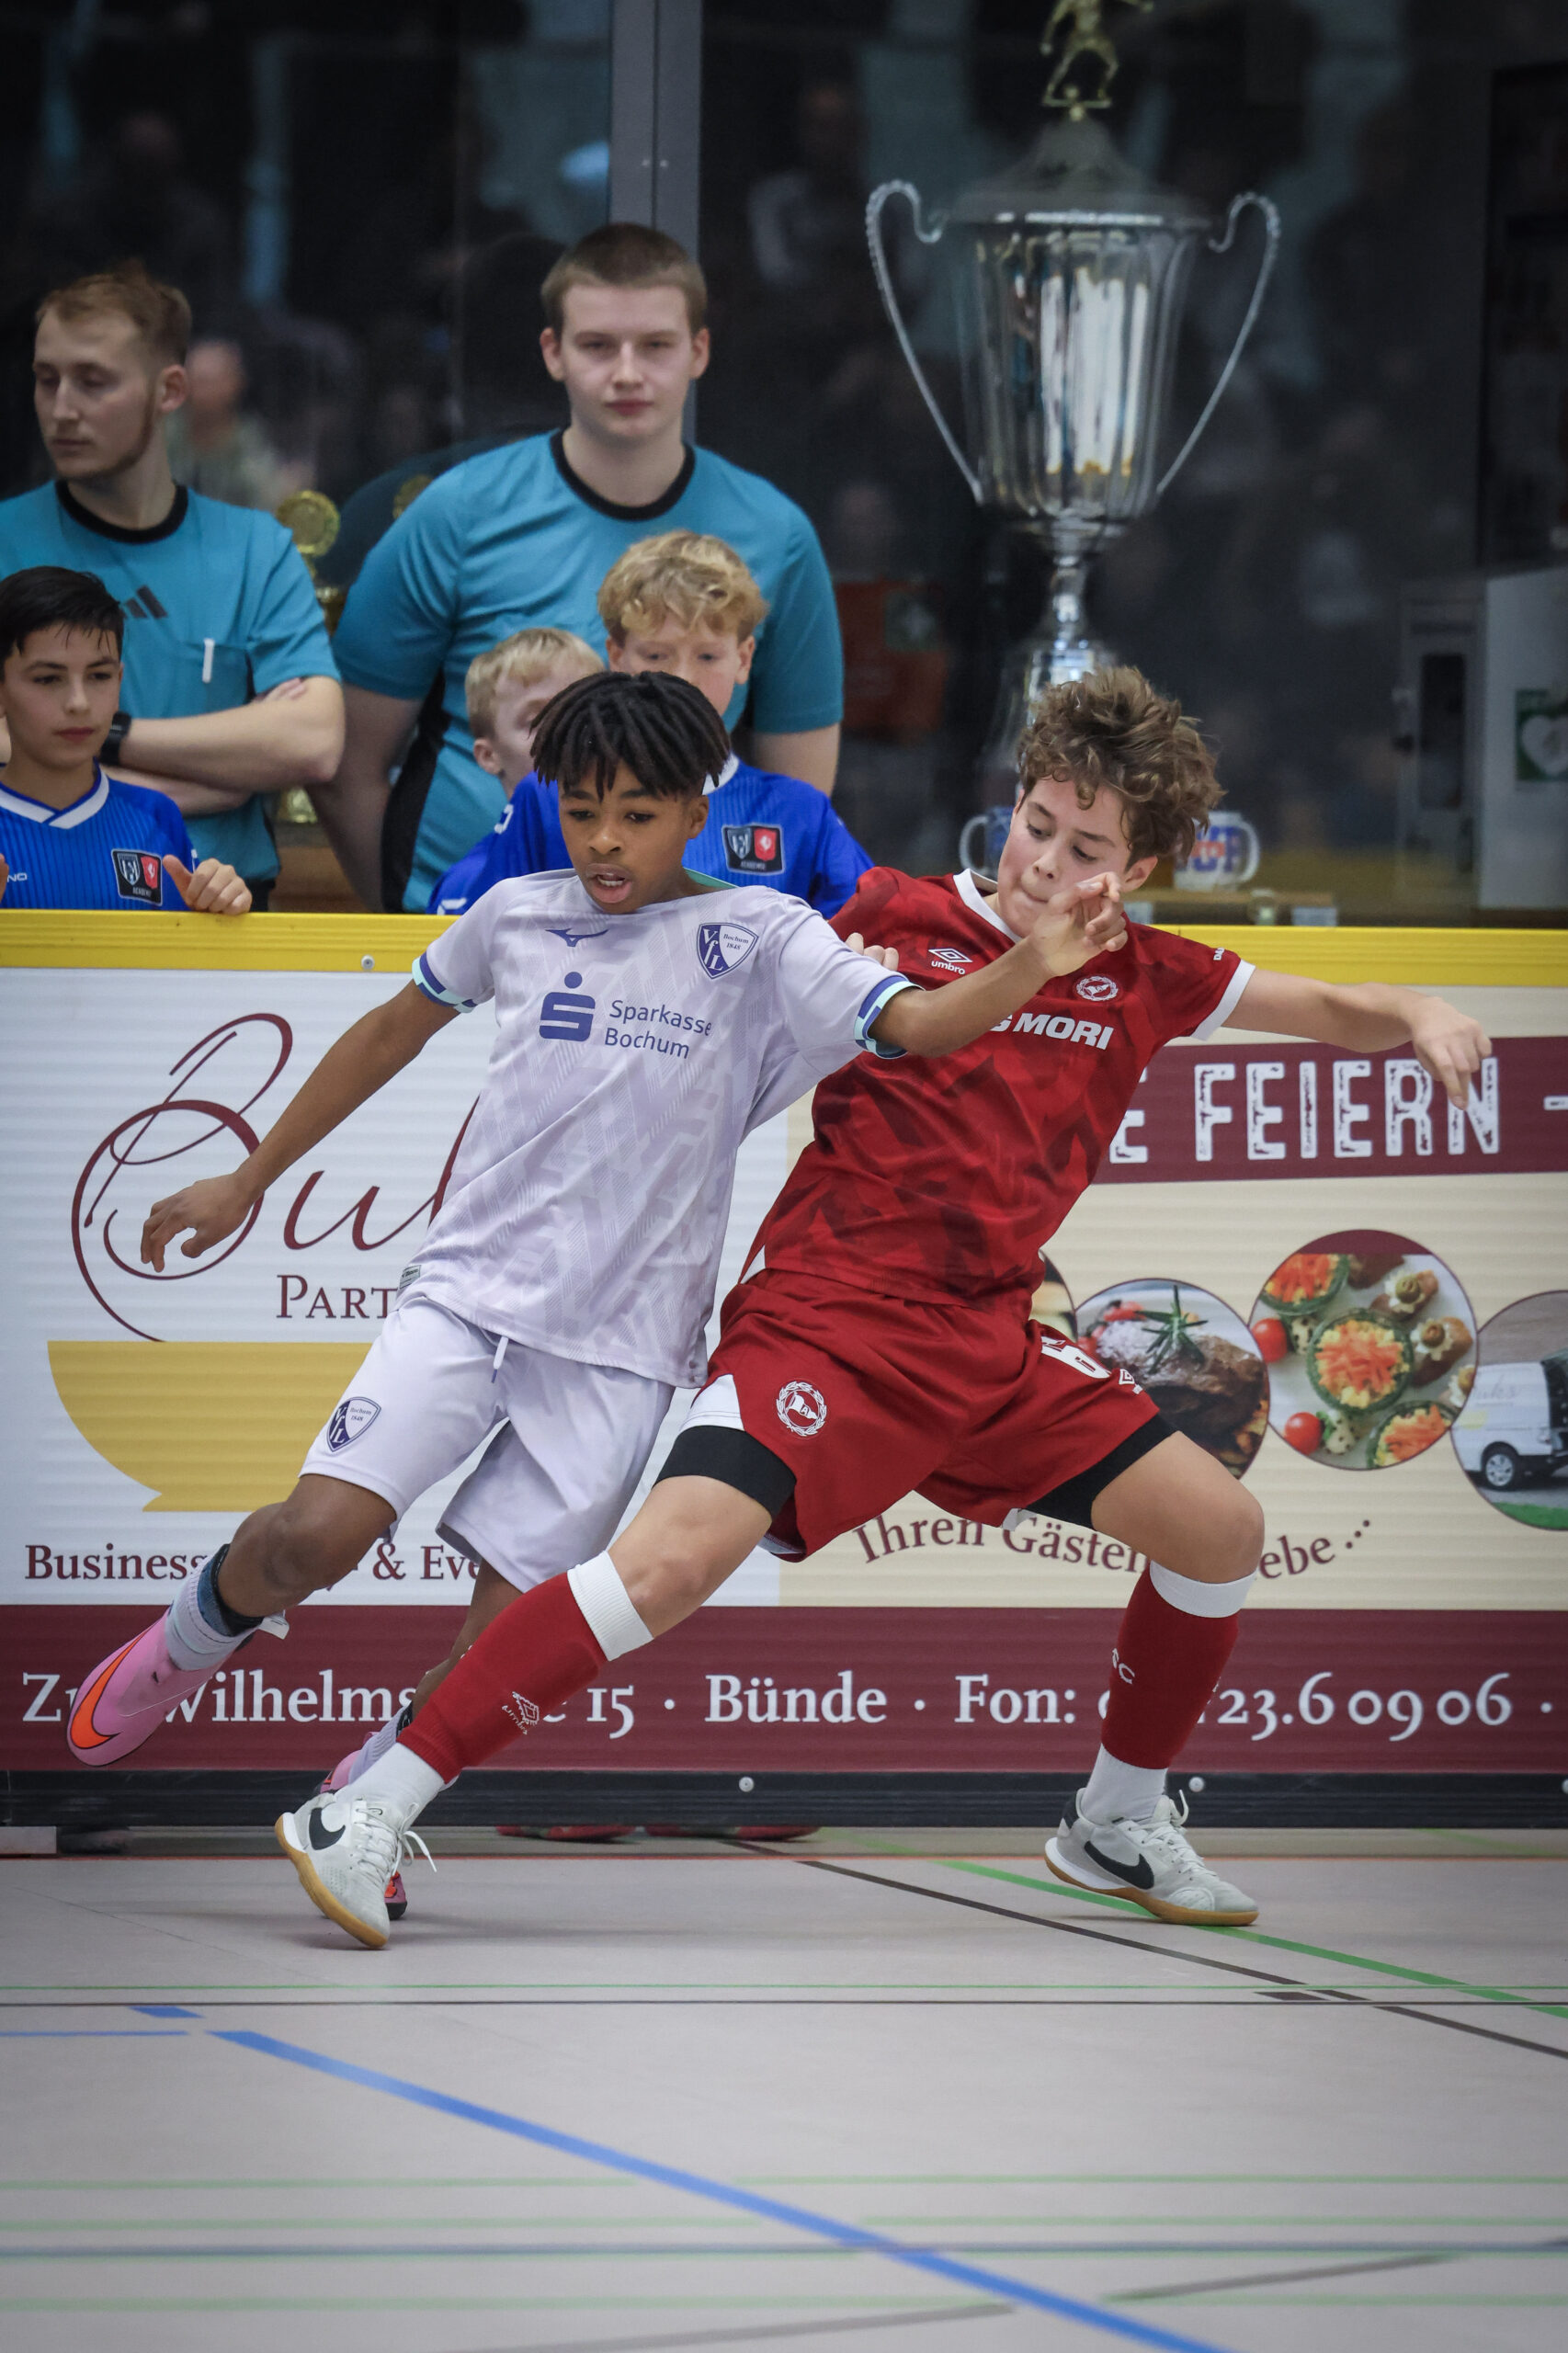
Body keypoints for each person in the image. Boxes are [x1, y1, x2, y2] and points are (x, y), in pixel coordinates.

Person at [244, 666, 1489, 1950]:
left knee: (1219, 1531)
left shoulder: (1151, 974)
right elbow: (688, 916)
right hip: (823, 1325)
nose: (1047, 862)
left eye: (1086, 850)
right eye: (1037, 825)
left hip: (986, 1347)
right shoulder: (884, 914)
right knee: (667, 1566)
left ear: (1140, 868)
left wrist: (1417, 1009)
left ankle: (1116, 1820)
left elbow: (1328, 1008)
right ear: (1011, 805)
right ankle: (369, 1805)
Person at [66, 674, 1126, 1912]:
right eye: (580, 814)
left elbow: (925, 1025)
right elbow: (388, 1035)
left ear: (694, 813)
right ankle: (190, 1638)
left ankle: (363, 1804)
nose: (605, 844)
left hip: (623, 1353)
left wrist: (1034, 962)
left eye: (635, 816)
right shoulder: (514, 914)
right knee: (313, 1536)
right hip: (467, 1299)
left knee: (499, 1642)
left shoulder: (766, 936)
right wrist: (247, 1179)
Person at [323, 222, 846, 915]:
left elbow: (800, 805)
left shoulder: (777, 536)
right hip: (465, 937)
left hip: (690, 951)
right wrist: (412, 924)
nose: (627, 372)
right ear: (553, 352)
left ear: (698, 351)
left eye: (655, 345)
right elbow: (347, 766)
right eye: (597, 345)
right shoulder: (455, 515)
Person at [0, 261, 343, 909]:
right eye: (47, 380)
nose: (61, 409)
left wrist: (107, 741)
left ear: (170, 389)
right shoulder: (5, 540)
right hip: (31, 900)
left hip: (224, 909)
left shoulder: (256, 549)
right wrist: (222, 776)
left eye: (93, 382)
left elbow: (312, 743)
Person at [431, 534, 870, 919]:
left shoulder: (799, 811)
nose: (683, 678)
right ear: (616, 656)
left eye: (707, 656)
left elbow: (875, 931)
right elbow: (469, 933)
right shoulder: (550, 795)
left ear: (743, 658)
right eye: (657, 655)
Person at [0, 564, 248, 914]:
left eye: (99, 676)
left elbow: (190, 944)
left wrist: (220, 907)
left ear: (119, 682)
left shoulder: (156, 815)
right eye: (47, 679)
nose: (79, 703)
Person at [165, 338, 294, 513]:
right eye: (190, 380)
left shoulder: (249, 447)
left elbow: (269, 505)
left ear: (235, 384)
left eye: (206, 382)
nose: (196, 391)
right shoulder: (162, 435)